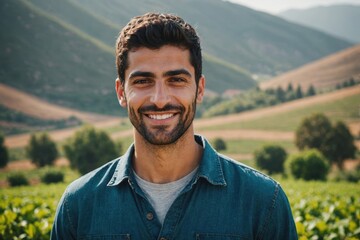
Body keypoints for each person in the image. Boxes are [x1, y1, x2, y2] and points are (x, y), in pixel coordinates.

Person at [51, 13, 298, 239]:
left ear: (199, 89)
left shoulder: (264, 202)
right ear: (121, 92)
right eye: (143, 81)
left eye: (176, 80)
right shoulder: (78, 206)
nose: (160, 99)